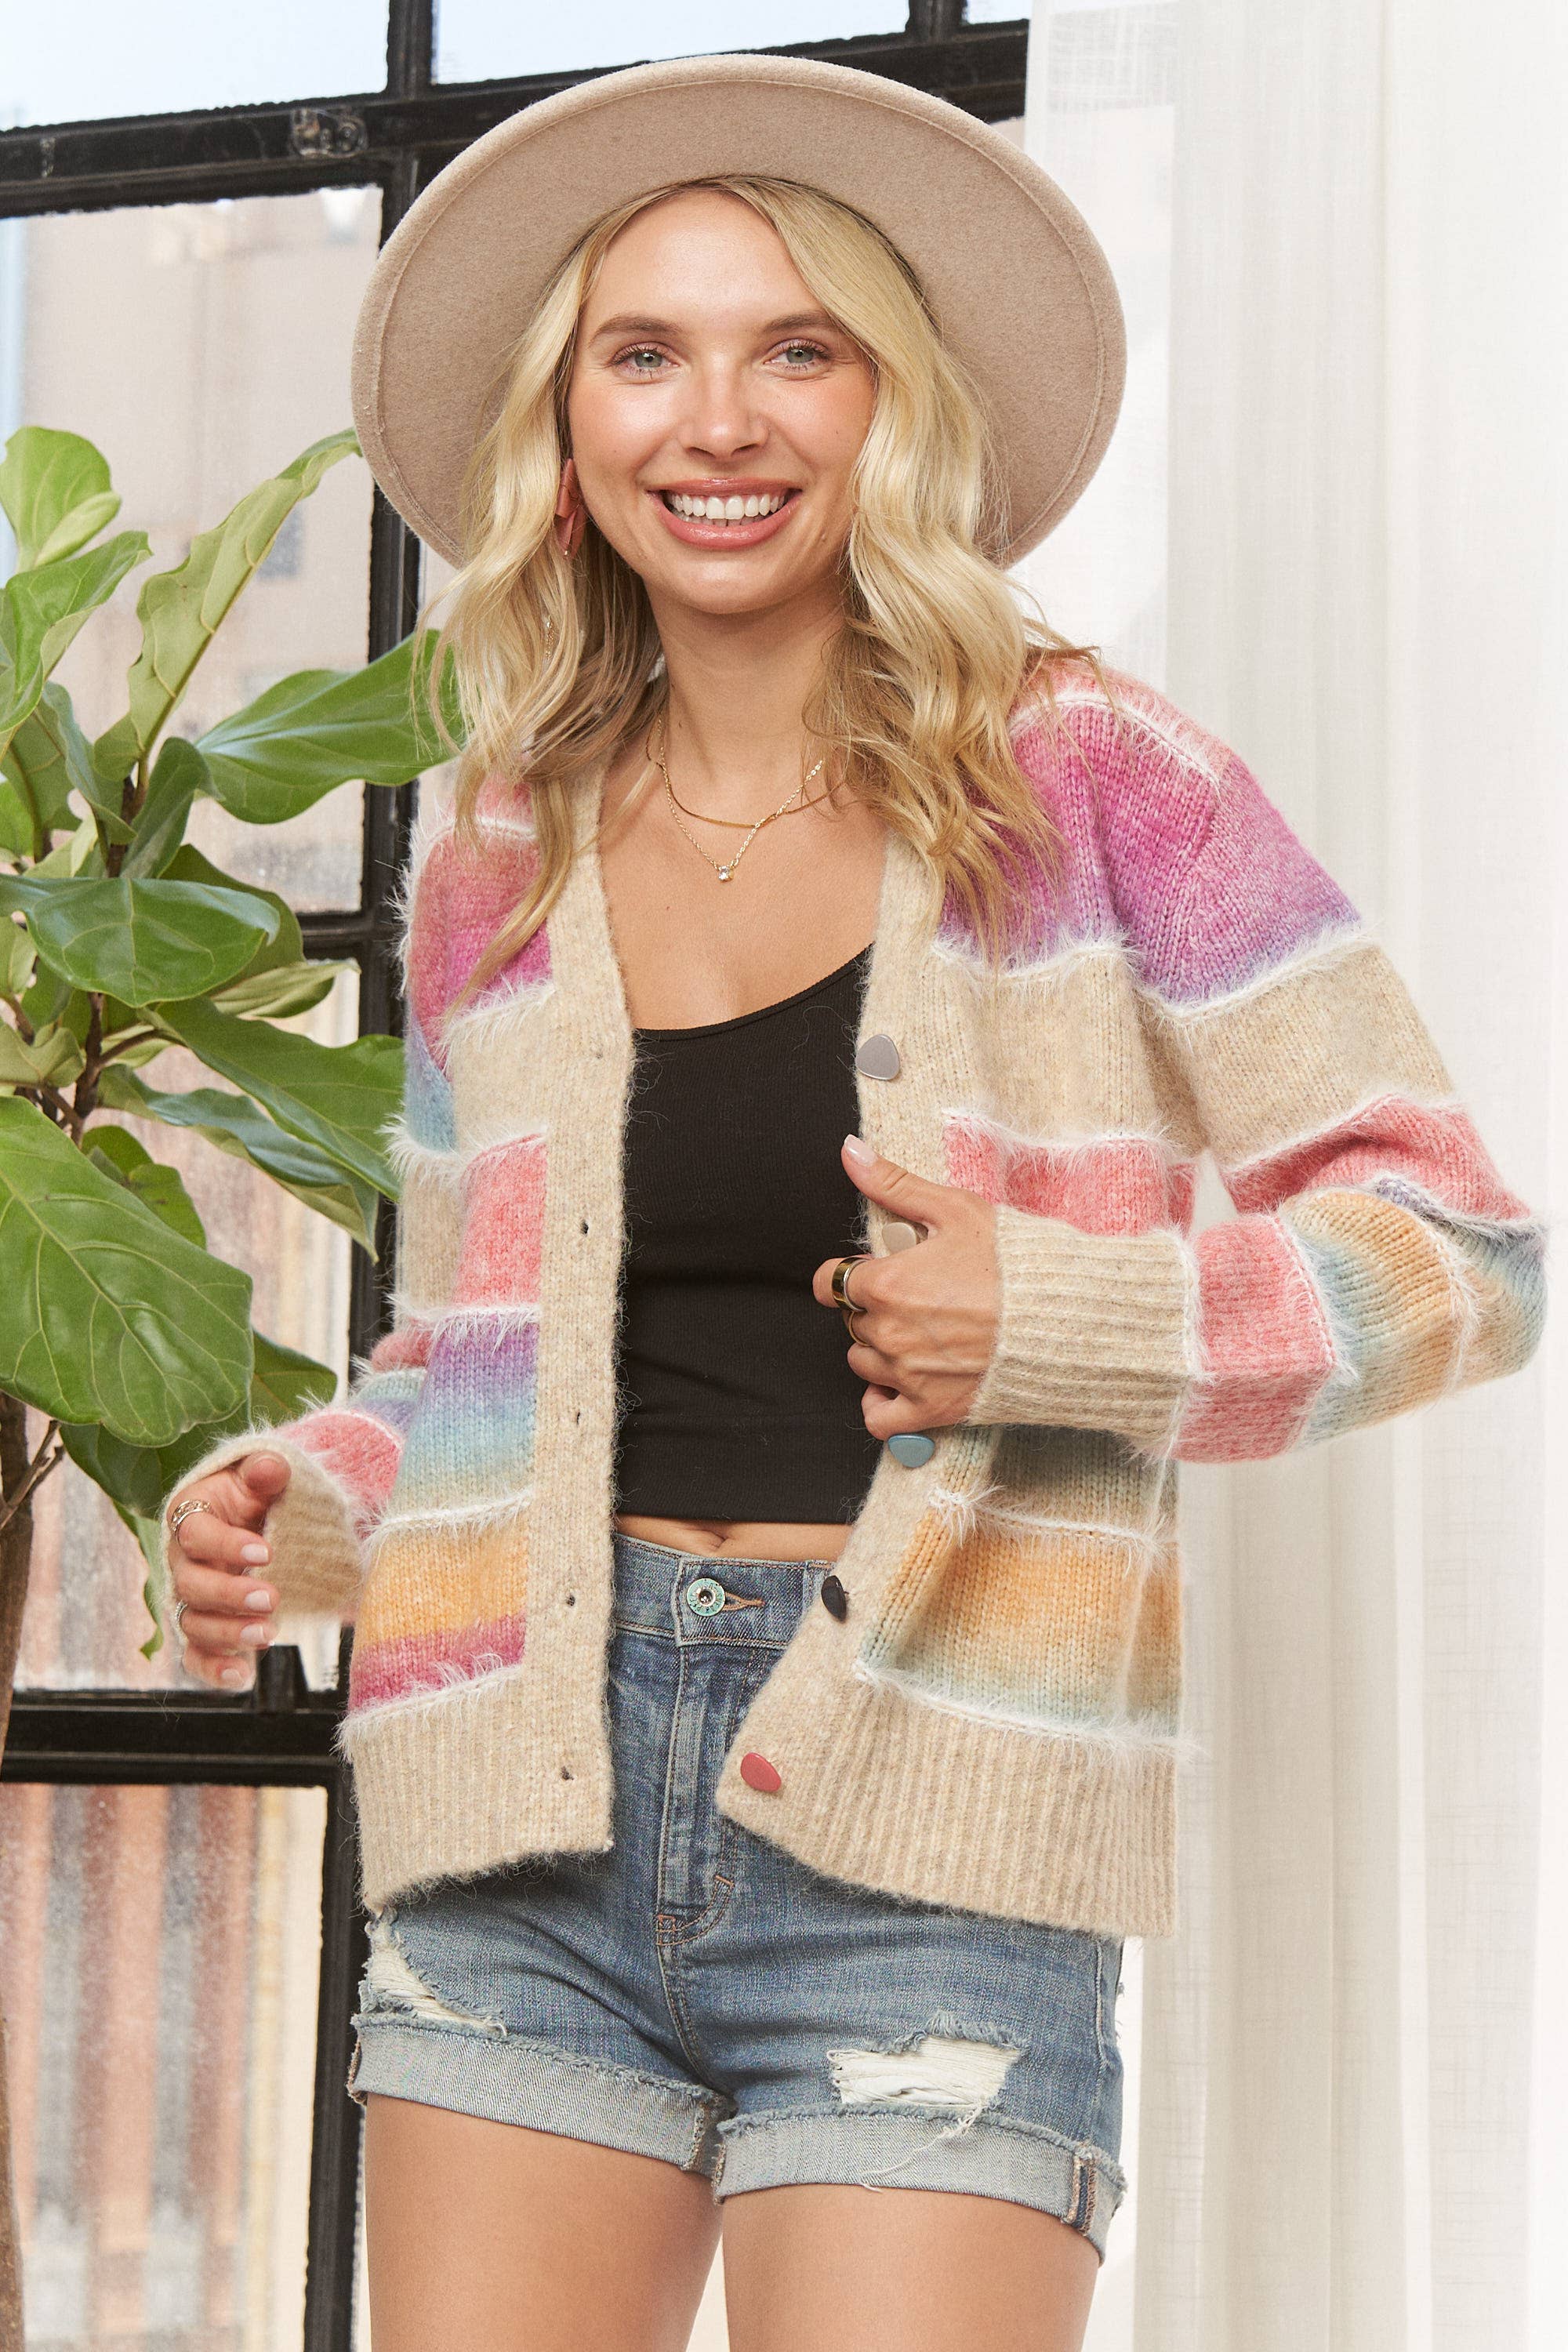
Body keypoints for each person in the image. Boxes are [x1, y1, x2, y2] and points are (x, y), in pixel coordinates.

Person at [157, 54, 1544, 2352]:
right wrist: (304, 1506)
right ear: (568, 428)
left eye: (795, 348)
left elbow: (1459, 1253)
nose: (721, 420)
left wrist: (1061, 1316)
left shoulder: (1097, 780)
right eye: (646, 353)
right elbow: (487, 1367)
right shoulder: (499, 847)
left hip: (936, 1828)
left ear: (890, 399)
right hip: (521, 1823)